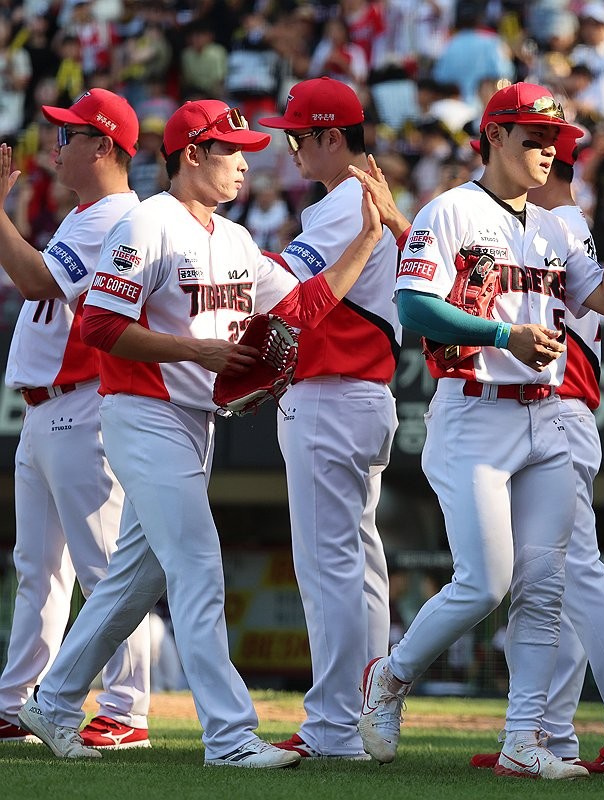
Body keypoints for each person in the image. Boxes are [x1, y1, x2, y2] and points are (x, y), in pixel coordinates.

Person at [19, 99, 383, 768]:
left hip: (193, 422)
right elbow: (99, 324)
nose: (246, 162)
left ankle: (54, 698)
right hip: (141, 413)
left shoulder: (235, 238)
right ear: (192, 155)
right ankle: (230, 735)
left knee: (135, 576)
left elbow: (301, 307)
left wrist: (369, 237)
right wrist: (198, 353)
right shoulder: (148, 221)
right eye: (231, 150)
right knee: (197, 566)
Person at [356, 82, 604, 780]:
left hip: (546, 414)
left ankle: (526, 738)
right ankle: (392, 676)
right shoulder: (451, 209)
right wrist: (502, 333)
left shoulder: (555, 226)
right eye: (533, 137)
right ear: (492, 137)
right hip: (475, 409)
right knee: (485, 583)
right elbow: (413, 307)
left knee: (544, 584)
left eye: (555, 141)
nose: (549, 151)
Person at [464, 129, 604, 774]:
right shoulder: (563, 221)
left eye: (545, 157)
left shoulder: (556, 221)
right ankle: (549, 734)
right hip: (559, 407)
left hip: (557, 406)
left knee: (574, 570)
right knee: (550, 576)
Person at [256, 76, 405, 761]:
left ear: (331, 138)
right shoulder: (356, 201)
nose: (290, 148)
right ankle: (366, 718)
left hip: (332, 393)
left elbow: (286, 300)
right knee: (359, 567)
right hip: (361, 394)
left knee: (328, 570)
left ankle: (334, 726)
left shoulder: (346, 205)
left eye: (298, 136)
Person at [0, 89, 152, 750]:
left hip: (81, 402)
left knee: (102, 567)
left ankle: (126, 707)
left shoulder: (114, 215)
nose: (58, 146)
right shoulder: (87, 214)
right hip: (46, 409)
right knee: (40, 568)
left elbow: (35, 282)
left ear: (104, 145)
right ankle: (17, 699)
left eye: (69, 135)